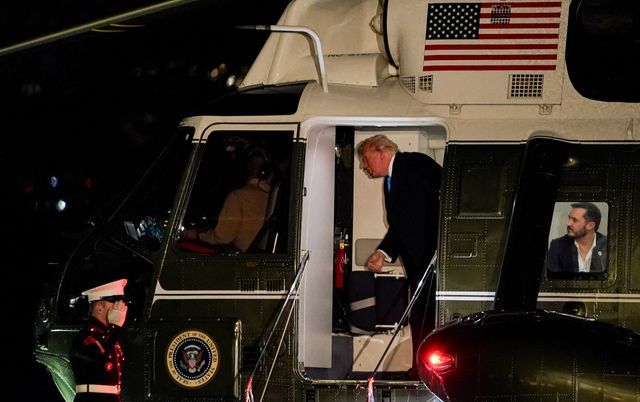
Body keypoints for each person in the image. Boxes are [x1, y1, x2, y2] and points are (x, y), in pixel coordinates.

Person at [356, 134, 441, 364]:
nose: (363, 165)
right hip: (419, 263)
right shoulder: (392, 178)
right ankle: (420, 368)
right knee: (420, 317)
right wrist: (382, 253)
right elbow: (401, 224)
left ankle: (424, 370)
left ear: (381, 151)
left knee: (425, 317)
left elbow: (416, 217)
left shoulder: (413, 165)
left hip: (430, 261)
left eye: (365, 159)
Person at [185, 149, 272, 252]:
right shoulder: (273, 197)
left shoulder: (238, 196)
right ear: (268, 173)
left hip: (243, 258)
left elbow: (223, 237)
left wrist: (198, 235)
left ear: (245, 170)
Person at [70, 279, 128, 402]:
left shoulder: (110, 335)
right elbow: (96, 356)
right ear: (99, 308)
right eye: (114, 303)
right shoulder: (85, 336)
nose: (119, 308)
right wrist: (114, 327)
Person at [548, 202, 607, 273]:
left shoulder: (607, 245)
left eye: (574, 220)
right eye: (569, 218)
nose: (568, 223)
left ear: (590, 225)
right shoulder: (557, 245)